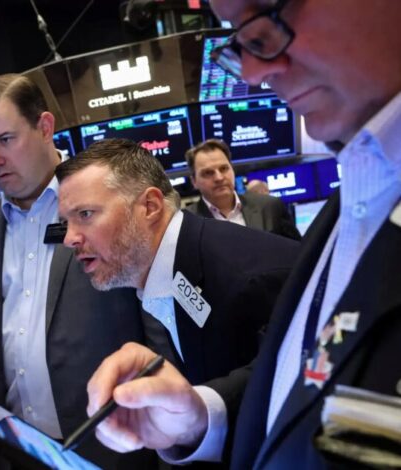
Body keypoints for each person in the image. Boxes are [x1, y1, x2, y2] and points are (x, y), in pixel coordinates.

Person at [86, 1, 401, 468]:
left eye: (269, 14)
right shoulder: (354, 197)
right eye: (239, 37)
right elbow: (308, 381)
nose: (253, 72)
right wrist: (200, 415)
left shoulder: (272, 229)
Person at [57, 138, 299, 465]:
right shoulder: (178, 264)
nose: (69, 238)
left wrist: (199, 413)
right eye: (66, 222)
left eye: (85, 214)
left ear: (150, 206)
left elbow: (287, 398)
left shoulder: (247, 278)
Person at [0, 74, 154, 468]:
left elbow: (157, 325)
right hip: (18, 455)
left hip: (112, 449)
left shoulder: (111, 205)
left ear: (45, 127)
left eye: (6, 139)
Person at [185, 139, 301, 240]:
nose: (219, 178)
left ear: (232, 169)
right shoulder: (185, 223)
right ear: (194, 181)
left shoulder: (270, 207)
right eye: (208, 173)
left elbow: (298, 252)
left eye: (224, 168)